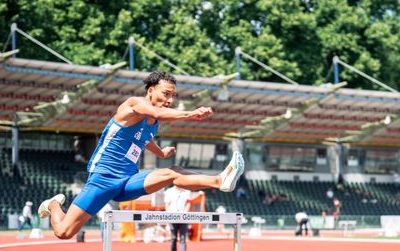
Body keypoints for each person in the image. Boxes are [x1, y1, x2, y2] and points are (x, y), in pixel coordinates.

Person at [38, 70, 245, 240]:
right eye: (166, 94)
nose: (170, 100)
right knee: (64, 232)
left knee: (171, 173)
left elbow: (145, 140)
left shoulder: (153, 123)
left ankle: (219, 180)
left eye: (173, 96)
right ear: (151, 90)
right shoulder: (133, 104)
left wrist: (161, 152)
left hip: (128, 179)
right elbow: (156, 113)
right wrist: (191, 114)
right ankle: (54, 204)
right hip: (104, 178)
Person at [164, 185, 192, 251]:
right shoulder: (169, 191)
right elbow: (167, 205)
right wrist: (169, 216)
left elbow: (188, 203)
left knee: (183, 239)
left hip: (183, 219)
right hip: (172, 218)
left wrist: (184, 214)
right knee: (173, 239)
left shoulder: (187, 191)